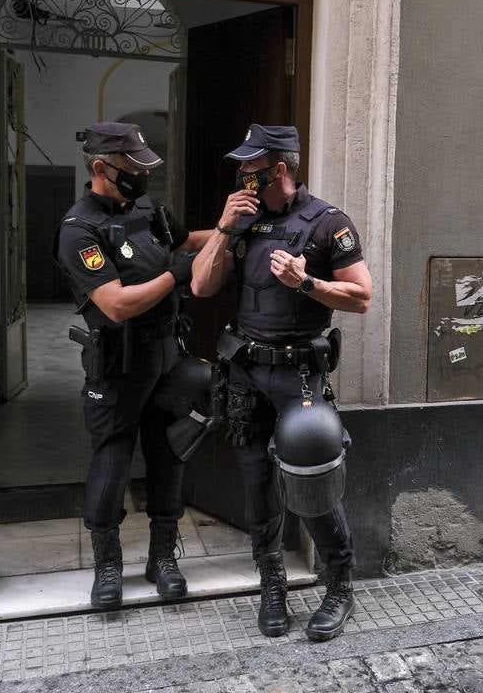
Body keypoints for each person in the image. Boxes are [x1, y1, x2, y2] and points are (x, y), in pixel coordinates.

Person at [190, 123, 372, 642]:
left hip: (299, 376)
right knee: (255, 485)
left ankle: (339, 583)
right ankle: (272, 584)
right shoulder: (242, 222)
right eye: (243, 172)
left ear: (281, 170)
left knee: (312, 484)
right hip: (247, 372)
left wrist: (306, 282)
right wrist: (225, 229)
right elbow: (202, 286)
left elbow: (362, 297)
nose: (244, 180)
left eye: (253, 171)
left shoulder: (327, 223)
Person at [54, 122, 210, 609]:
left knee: (169, 451)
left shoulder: (147, 209)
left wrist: (231, 231)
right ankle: (107, 565)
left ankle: (163, 557)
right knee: (112, 458)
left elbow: (185, 242)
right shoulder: (79, 230)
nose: (142, 177)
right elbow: (116, 304)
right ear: (101, 168)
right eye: (132, 168)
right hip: (119, 362)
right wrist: (175, 275)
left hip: (166, 352)